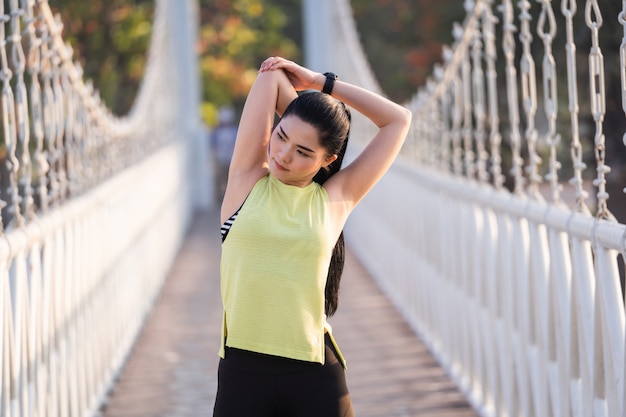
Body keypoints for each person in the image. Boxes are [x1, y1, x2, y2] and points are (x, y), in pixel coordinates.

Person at [214, 56, 412, 417]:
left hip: (314, 375)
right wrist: (309, 106)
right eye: (281, 136)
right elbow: (270, 76)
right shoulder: (246, 180)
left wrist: (323, 83)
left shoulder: (335, 200)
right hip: (242, 375)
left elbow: (398, 120)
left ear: (328, 159)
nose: (283, 155)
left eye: (304, 151)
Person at [210, 106, 238, 201]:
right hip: (220, 159)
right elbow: (213, 146)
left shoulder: (234, 131)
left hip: (231, 159)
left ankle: (230, 196)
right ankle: (222, 196)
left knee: (230, 179)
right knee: (220, 179)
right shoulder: (217, 132)